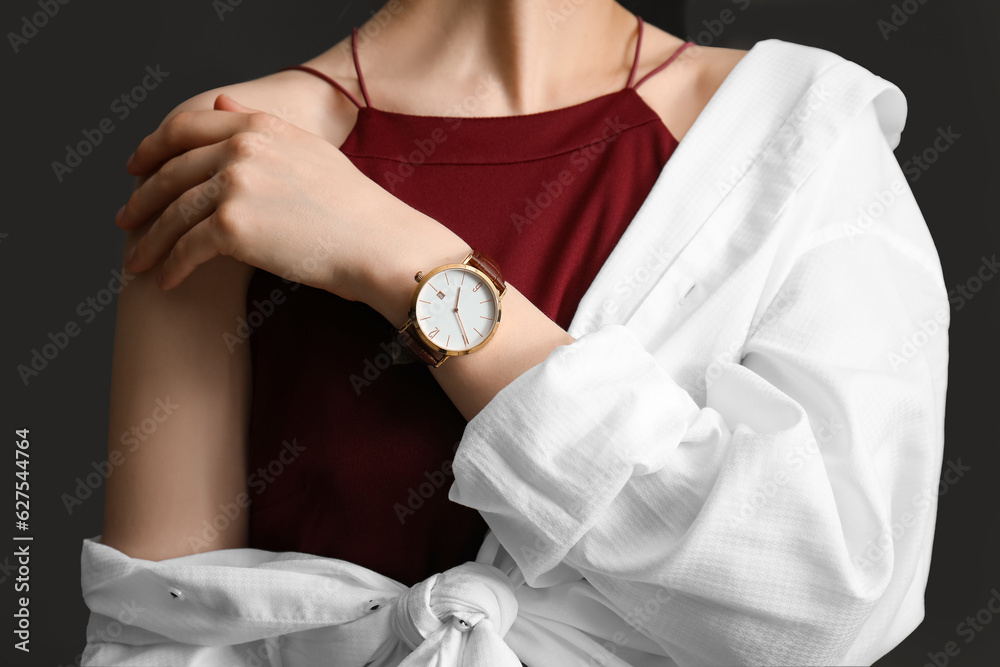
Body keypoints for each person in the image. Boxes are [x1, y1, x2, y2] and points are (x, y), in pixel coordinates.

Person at [81, 1, 949, 665]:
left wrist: (404, 259)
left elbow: (827, 603)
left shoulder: (799, 137)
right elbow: (161, 633)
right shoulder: (244, 155)